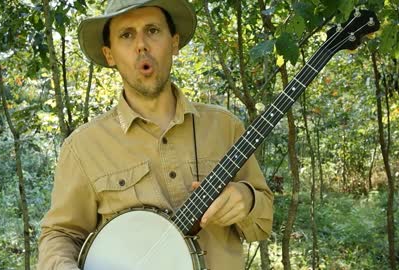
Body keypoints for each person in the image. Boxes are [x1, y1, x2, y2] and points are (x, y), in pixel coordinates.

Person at [38, 0, 273, 269]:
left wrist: (247, 199)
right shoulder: (83, 147)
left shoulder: (224, 127)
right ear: (110, 54)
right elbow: (60, 234)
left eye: (153, 30)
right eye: (126, 35)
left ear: (173, 43)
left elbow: (262, 227)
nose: (142, 45)